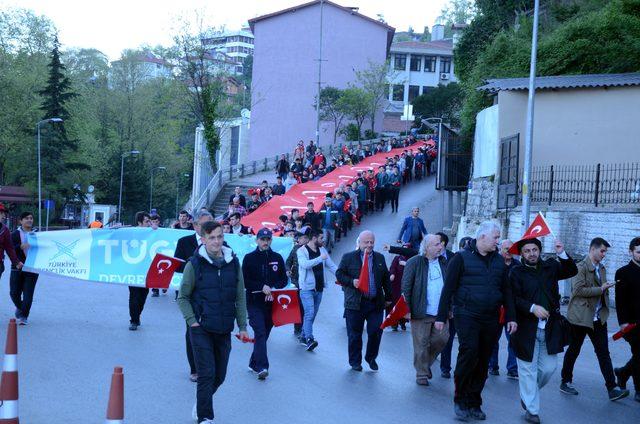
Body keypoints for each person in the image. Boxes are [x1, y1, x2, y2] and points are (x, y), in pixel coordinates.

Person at [435, 221, 517, 421]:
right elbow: (448, 289)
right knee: (469, 353)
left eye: (498, 238)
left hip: (491, 318)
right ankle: (460, 400)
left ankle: (474, 401)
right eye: (495, 238)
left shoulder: (498, 261)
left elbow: (507, 291)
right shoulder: (461, 259)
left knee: (483, 359)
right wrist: (440, 316)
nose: (498, 242)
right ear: (482, 237)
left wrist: (512, 317)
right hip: (466, 314)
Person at [177, 221, 248, 424]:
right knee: (206, 374)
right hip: (201, 328)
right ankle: (205, 416)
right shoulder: (194, 264)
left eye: (219, 236)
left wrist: (242, 326)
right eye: (212, 237)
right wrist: (192, 321)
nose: (216, 241)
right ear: (203, 239)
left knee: (220, 376)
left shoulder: (233, 263)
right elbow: (182, 297)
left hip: (224, 328)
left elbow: (239, 296)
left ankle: (201, 403)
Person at [510, 238, 578, 423]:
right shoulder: (516, 272)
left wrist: (561, 253)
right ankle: (532, 410)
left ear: (539, 251)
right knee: (527, 371)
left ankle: (528, 394)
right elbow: (513, 299)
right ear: (522, 254)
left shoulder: (550, 267)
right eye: (527, 251)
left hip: (550, 328)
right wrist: (532, 308)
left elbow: (572, 270)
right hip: (525, 329)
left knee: (548, 369)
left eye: (534, 250)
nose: (532, 253)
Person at [560, 237, 629, 400]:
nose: (604, 254)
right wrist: (601, 289)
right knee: (574, 350)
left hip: (598, 317)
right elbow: (577, 290)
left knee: (603, 353)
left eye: (605, 251)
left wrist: (605, 290)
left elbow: (600, 291)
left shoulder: (602, 268)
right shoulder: (580, 267)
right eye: (602, 251)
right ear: (593, 249)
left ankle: (612, 388)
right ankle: (565, 381)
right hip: (581, 317)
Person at [336, 230, 392, 372]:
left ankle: (371, 357)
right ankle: (355, 362)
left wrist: (389, 298)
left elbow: (386, 278)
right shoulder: (349, 257)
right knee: (355, 334)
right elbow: (339, 274)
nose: (369, 245)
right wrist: (351, 281)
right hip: (355, 303)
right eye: (366, 242)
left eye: (371, 242)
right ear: (359, 242)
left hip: (375, 303)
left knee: (375, 332)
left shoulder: (379, 258)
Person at [402, 234, 449, 386]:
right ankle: (421, 373)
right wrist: (406, 309)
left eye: (440, 244)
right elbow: (406, 287)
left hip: (440, 312)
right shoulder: (414, 262)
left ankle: (425, 364)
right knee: (421, 343)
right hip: (420, 311)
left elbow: (451, 287)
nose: (440, 247)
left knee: (442, 339)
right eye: (436, 244)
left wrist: (451, 307)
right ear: (427, 247)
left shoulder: (445, 263)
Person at [242, 228, 287, 380]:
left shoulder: (277, 257)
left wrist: (273, 289)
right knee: (260, 331)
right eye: (262, 239)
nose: (265, 242)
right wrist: (261, 287)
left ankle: (254, 362)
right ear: (257, 241)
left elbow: (284, 279)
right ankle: (262, 367)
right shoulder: (249, 258)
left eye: (268, 239)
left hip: (272, 303)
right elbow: (245, 280)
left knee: (265, 334)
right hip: (254, 302)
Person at [174, 209, 214, 381]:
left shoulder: (220, 242)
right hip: (192, 295)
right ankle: (195, 368)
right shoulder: (184, 242)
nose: (211, 228)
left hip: (213, 295)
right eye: (207, 224)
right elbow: (177, 266)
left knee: (212, 330)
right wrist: (196, 268)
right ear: (196, 225)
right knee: (193, 329)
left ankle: (209, 365)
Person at [297, 230, 337, 351]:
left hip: (319, 288)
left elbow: (331, 265)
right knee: (309, 313)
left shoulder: (322, 250)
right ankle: (310, 339)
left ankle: (303, 336)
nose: (323, 240)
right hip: (306, 289)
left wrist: (342, 275)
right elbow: (305, 265)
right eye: (321, 238)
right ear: (314, 238)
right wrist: (320, 258)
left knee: (312, 314)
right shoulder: (301, 251)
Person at [489, 239, 521, 379]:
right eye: (506, 248)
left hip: (512, 309)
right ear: (500, 250)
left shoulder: (518, 266)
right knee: (492, 339)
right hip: (495, 308)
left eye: (511, 248)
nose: (509, 251)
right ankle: (492, 366)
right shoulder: (494, 264)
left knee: (513, 340)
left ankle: (512, 369)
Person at [614, 237, 640, 403]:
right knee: (639, 353)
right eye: (639, 252)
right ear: (631, 252)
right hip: (631, 324)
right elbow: (620, 301)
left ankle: (622, 373)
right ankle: (639, 389)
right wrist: (623, 323)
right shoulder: (623, 272)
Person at [9, 212, 38, 325]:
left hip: (32, 268)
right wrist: (20, 247)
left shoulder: (37, 234)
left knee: (28, 294)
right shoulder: (14, 234)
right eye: (26, 218)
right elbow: (10, 249)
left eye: (31, 218)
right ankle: (21, 308)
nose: (29, 220)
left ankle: (24, 316)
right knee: (14, 293)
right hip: (17, 267)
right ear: (21, 221)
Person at [285, 227, 310, 341]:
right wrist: (287, 270)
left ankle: (305, 329)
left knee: (307, 307)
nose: (303, 240)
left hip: (308, 282)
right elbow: (288, 262)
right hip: (296, 281)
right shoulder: (295, 249)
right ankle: (297, 328)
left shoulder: (311, 249)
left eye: (305, 238)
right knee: (298, 305)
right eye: (301, 238)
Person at [129, 211, 151, 330]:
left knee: (143, 295)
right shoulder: (131, 232)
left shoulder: (152, 233)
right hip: (133, 269)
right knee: (134, 295)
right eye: (147, 221)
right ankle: (134, 320)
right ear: (139, 222)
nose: (149, 223)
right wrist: (115, 229)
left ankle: (137, 316)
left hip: (147, 270)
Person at [0, 204, 23, 286]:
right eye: (1, 213)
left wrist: (16, 262)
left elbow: (9, 248)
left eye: (3, 213)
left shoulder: (4, 230)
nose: (3, 215)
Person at [388, 248, 409, 331]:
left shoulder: (412, 258)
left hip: (406, 284)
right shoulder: (397, 258)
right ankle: (394, 323)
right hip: (396, 284)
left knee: (403, 303)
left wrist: (406, 264)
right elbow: (392, 267)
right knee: (395, 303)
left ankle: (403, 322)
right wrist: (392, 274)